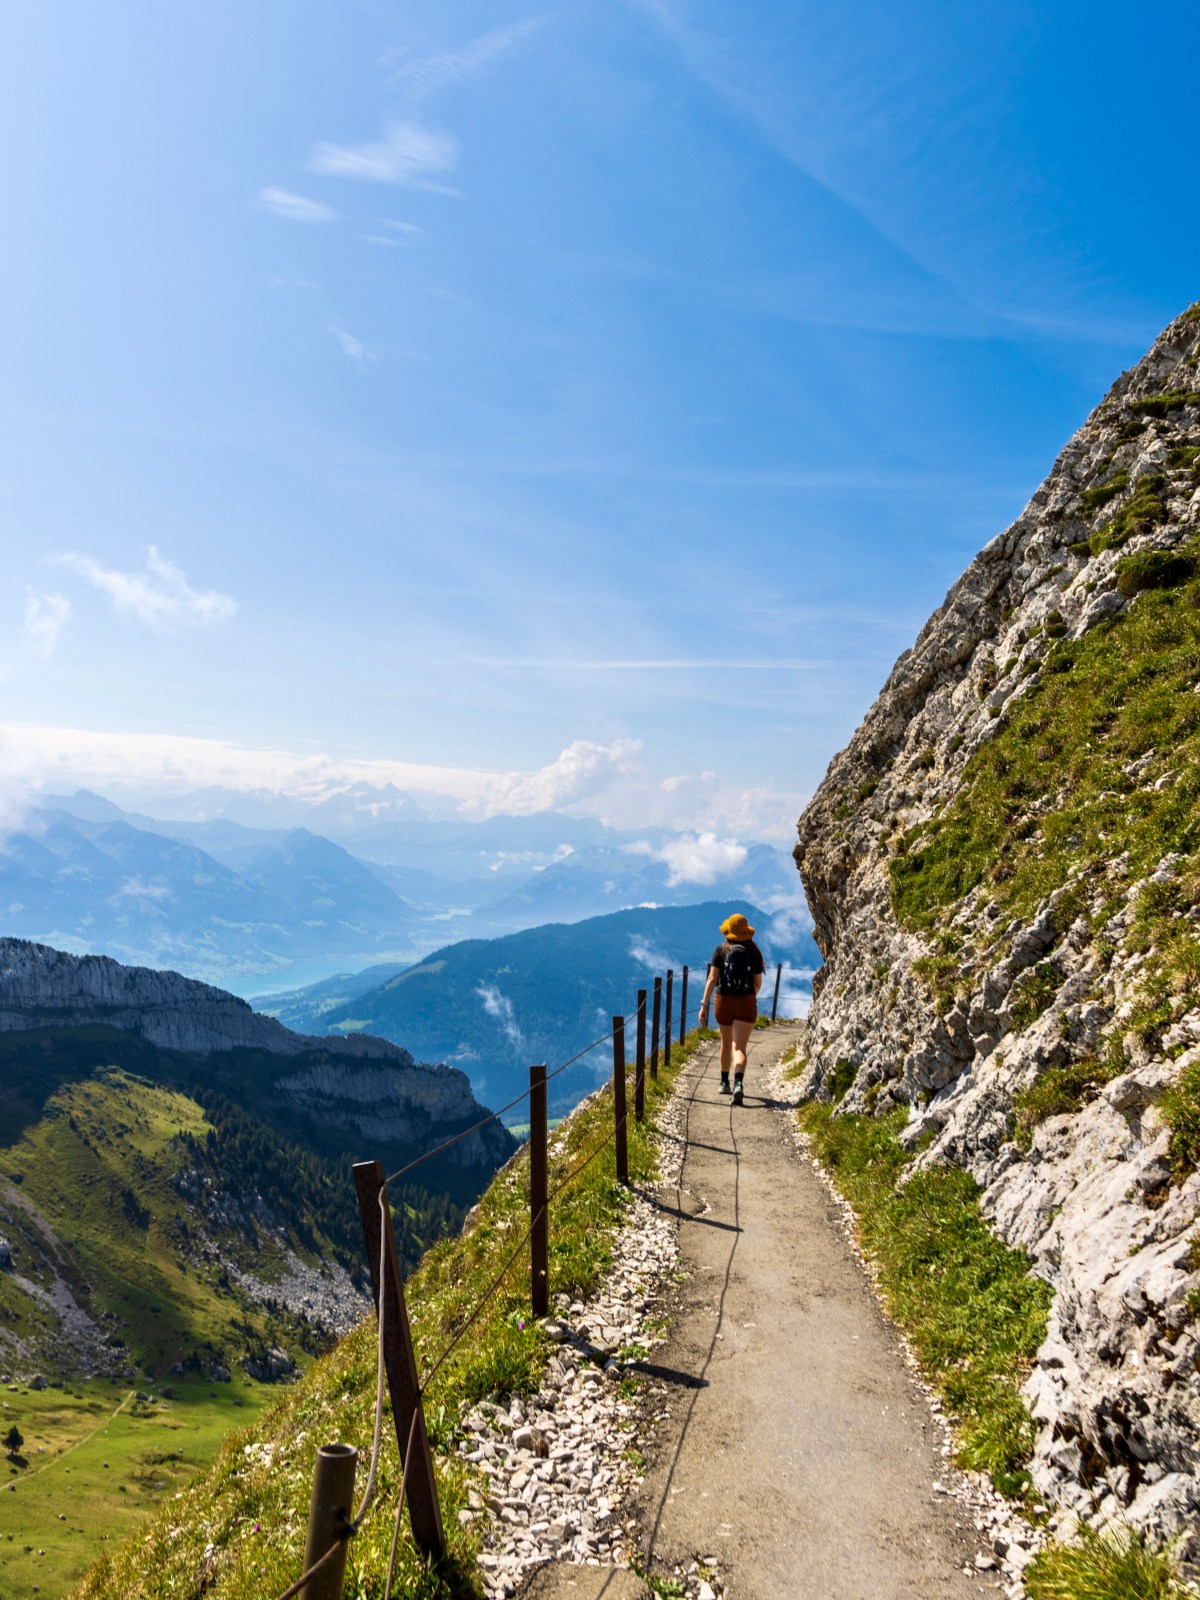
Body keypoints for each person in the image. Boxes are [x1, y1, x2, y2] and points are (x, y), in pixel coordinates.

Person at [698, 913, 765, 1105]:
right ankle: (738, 1084)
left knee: (725, 1043)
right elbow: (757, 983)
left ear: (728, 932)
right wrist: (749, 997)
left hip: (723, 1001)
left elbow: (712, 979)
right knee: (740, 1047)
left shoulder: (720, 951)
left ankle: (723, 1082)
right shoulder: (754, 952)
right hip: (746, 1002)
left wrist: (704, 1004)